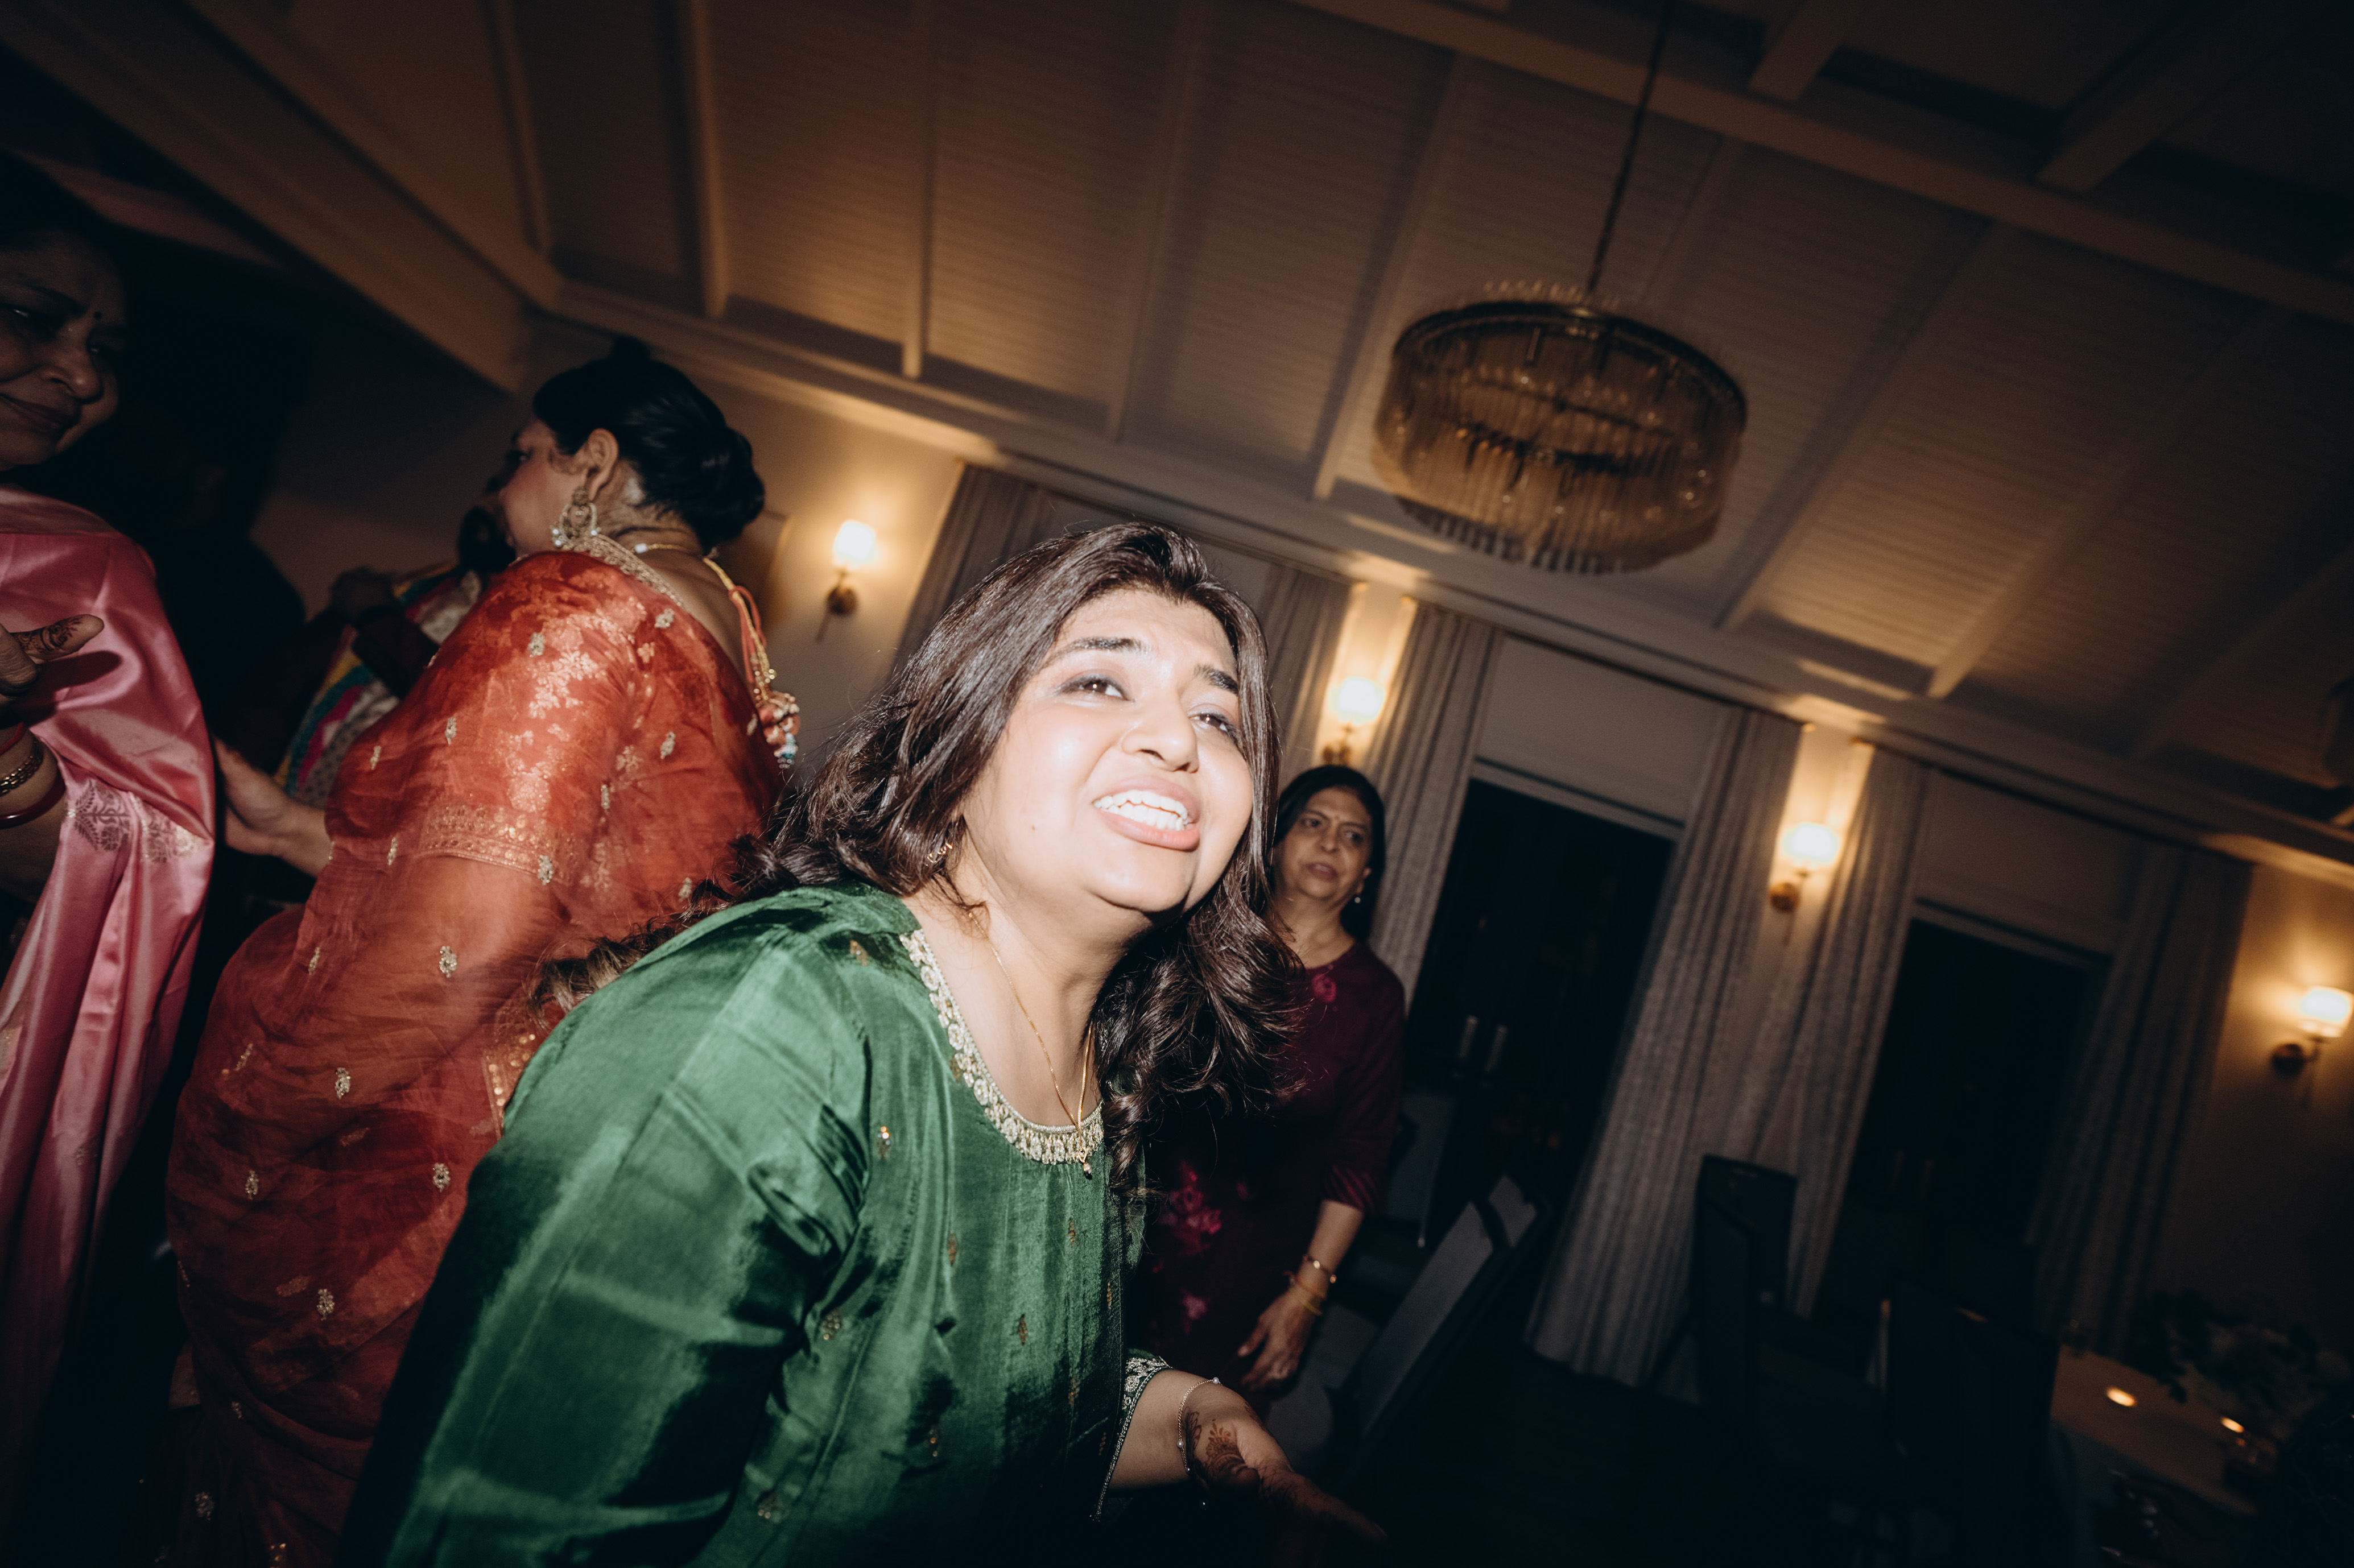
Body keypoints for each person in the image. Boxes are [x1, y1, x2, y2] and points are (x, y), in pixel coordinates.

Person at [340, 523, 1383, 1563]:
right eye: (1100, 682)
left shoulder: (1098, 1079)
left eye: (1216, 715)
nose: (1177, 741)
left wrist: (1197, 1420)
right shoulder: (768, 1031)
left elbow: (996, 1403)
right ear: (960, 732)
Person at [163, 341, 792, 1566]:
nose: (501, 488)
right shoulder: (732, 630)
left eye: (521, 457)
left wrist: (268, 1110)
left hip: (440, 1144)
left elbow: (466, 936)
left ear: (593, 462)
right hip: (582, 1136)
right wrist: (297, 831)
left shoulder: (575, 600)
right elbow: (559, 879)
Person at [0, 160, 214, 1489]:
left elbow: (146, 854)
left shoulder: (84, 573)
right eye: (36, 316)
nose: (82, 374)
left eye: (108, 350)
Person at [1136, 764, 1405, 1407]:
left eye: (1354, 836)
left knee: (1194, 1441)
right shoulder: (1200, 936)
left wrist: (1307, 1296)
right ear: (1276, 844)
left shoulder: (1375, 997)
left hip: (1251, 1272)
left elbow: (1360, 1161)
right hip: (1129, 1231)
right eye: (1314, 822)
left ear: (1365, 875)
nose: (1331, 842)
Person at [274, 495, 514, 806]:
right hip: (294, 797)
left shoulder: (527, 625)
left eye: (505, 490)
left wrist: (377, 618)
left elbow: (461, 706)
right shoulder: (411, 590)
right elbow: (276, 697)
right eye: (490, 488)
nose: (486, 503)